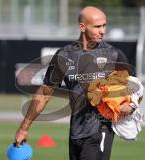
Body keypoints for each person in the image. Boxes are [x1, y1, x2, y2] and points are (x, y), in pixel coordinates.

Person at [15, 6, 134, 160]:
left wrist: (130, 107)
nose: (102, 31)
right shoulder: (64, 55)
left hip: (100, 130)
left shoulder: (114, 54)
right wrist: (24, 128)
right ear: (82, 27)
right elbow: (45, 93)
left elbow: (136, 88)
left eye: (104, 25)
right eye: (97, 26)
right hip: (76, 132)